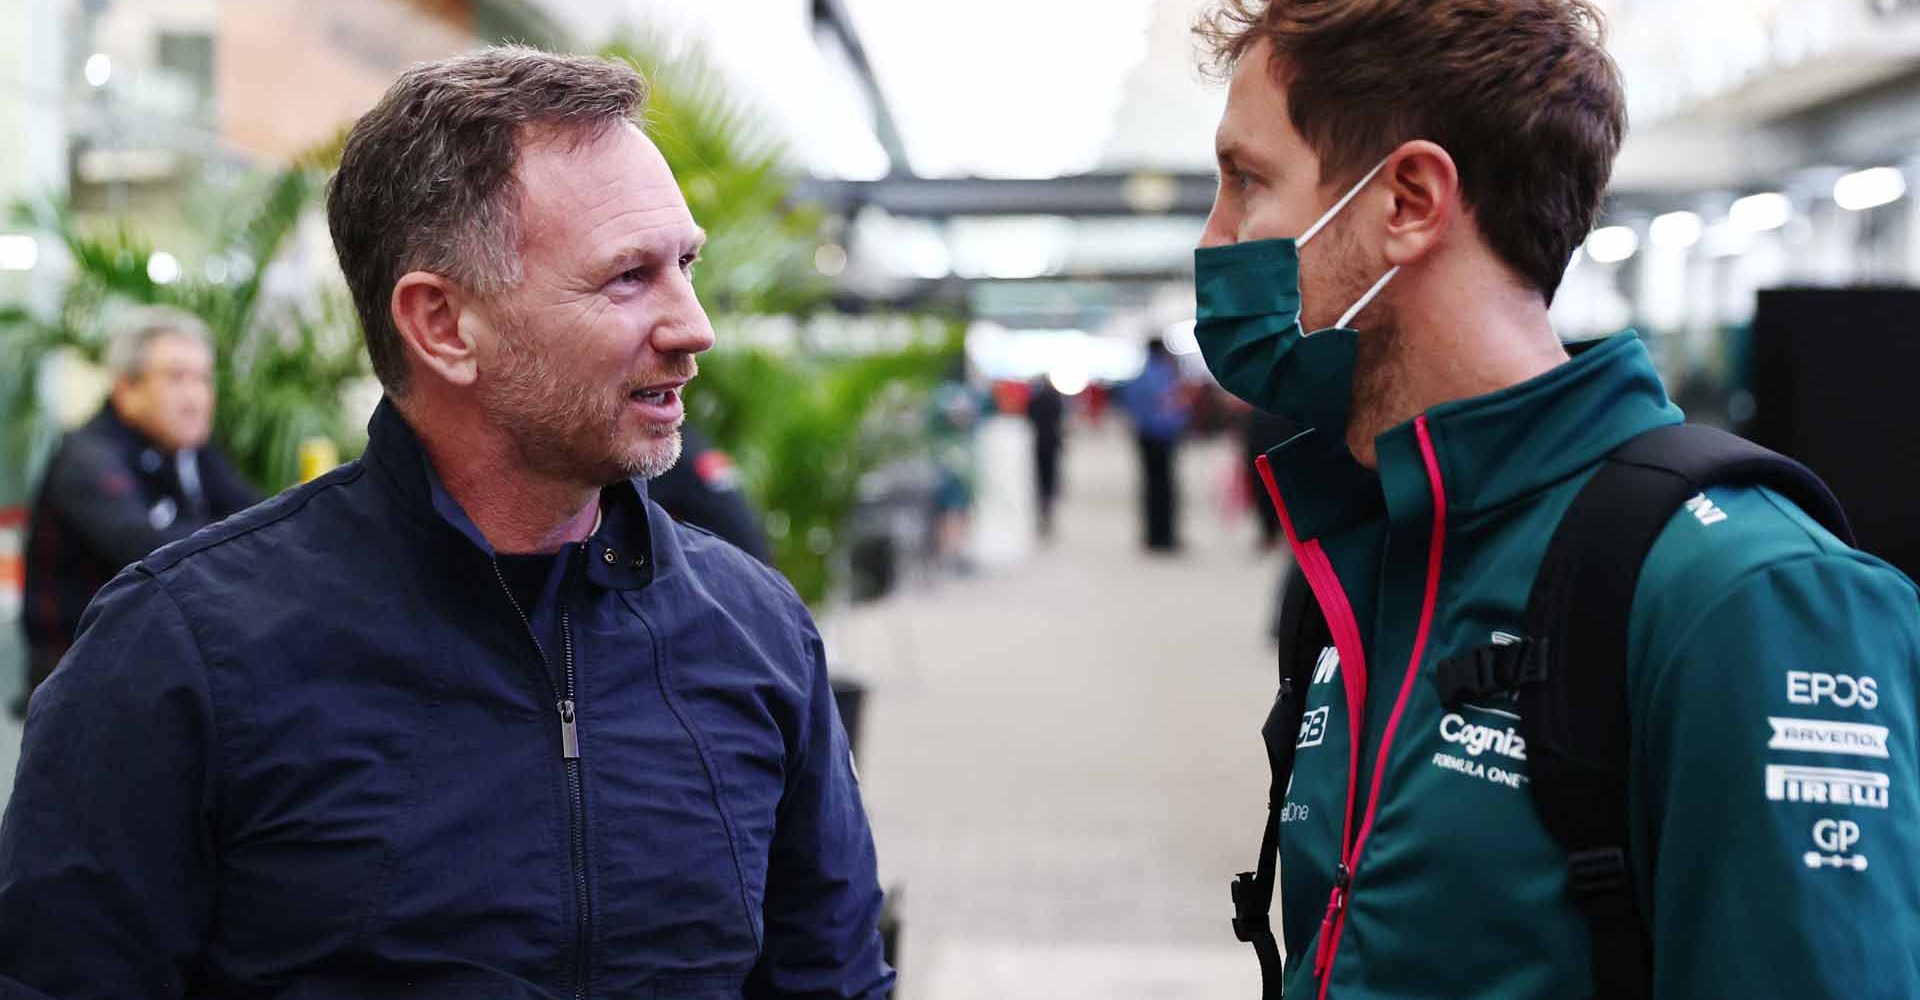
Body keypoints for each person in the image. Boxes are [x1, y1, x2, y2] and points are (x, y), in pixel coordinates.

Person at [0, 48, 892, 999]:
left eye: (686, 263)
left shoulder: (753, 631)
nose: (693, 323)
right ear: (442, 325)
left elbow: (830, 980)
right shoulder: (181, 656)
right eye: (628, 277)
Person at [1191, 2, 1920, 998]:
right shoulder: (1373, 548)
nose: (1215, 237)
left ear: (1407, 199)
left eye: (1246, 182)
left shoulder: (1738, 591)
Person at [16, 307, 258, 715]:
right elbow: (156, 550)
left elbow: (260, 518)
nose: (195, 396)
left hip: (159, 658)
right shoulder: (88, 458)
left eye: (202, 378)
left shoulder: (190, 451)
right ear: (127, 388)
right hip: (82, 678)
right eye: (176, 377)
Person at [1121, 338, 1189, 552]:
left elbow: (1130, 406)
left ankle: (1152, 536)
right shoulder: (1164, 375)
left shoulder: (1140, 377)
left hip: (1145, 437)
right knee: (1165, 488)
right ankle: (1166, 537)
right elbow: (1173, 407)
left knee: (1150, 487)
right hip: (1163, 438)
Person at [1026, 375, 1066, 539]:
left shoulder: (1035, 400)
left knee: (1042, 478)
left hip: (1039, 443)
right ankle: (1046, 507)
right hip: (1050, 442)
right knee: (1048, 478)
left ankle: (1044, 507)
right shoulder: (1055, 399)